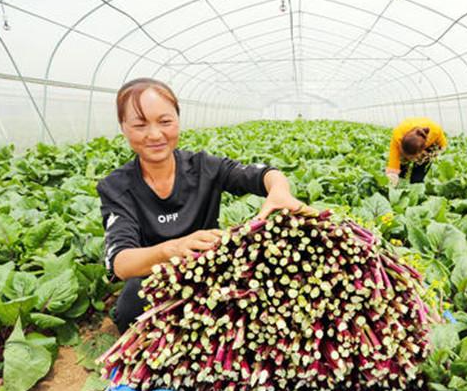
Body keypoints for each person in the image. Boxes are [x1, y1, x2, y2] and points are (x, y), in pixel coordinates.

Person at [97, 78, 312, 334]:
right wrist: (173, 249)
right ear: (123, 127)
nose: (155, 135)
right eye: (140, 124)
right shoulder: (116, 186)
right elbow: (121, 262)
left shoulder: (203, 166)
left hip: (212, 271)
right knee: (131, 308)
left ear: (177, 121)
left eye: (165, 122)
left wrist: (279, 189)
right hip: (155, 276)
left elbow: (260, 174)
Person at [385, 117, 447, 185]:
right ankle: (401, 180)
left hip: (427, 145)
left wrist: (431, 155)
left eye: (411, 157)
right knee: (401, 169)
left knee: (418, 176)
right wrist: (392, 177)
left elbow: (442, 146)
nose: (410, 159)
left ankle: (416, 182)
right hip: (406, 137)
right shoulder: (398, 136)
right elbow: (393, 162)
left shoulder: (436, 132)